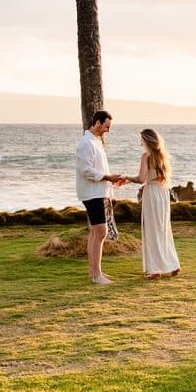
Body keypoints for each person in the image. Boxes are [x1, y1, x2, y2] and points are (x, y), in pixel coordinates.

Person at [117, 129, 180, 279]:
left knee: (151, 230)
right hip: (163, 193)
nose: (140, 143)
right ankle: (173, 264)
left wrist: (126, 178)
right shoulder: (162, 156)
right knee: (163, 229)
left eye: (141, 140)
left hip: (152, 193)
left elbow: (141, 178)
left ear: (147, 140)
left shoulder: (146, 156)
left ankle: (155, 269)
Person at [76, 110, 124, 285]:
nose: (107, 131)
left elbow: (99, 169)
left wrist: (112, 180)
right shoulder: (86, 143)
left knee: (96, 232)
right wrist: (108, 178)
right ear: (97, 122)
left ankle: (94, 272)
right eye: (106, 126)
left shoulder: (96, 142)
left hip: (100, 192)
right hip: (92, 194)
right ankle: (97, 276)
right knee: (101, 232)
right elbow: (86, 170)